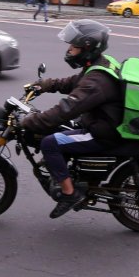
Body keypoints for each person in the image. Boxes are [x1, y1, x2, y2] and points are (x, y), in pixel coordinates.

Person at [20, 21, 124, 219]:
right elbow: (75, 83)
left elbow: (67, 108)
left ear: (87, 48)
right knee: (62, 129)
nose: (69, 50)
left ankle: (69, 193)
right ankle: (69, 172)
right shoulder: (98, 65)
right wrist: (45, 85)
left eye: (74, 47)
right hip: (102, 121)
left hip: (103, 133)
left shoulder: (96, 80)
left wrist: (32, 120)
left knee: (49, 142)